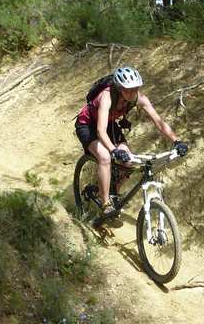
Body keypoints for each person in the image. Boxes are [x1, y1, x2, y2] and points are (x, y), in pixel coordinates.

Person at [75, 66, 188, 219]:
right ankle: (106, 202)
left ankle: (112, 192)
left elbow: (159, 122)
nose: (132, 92)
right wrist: (113, 150)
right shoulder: (106, 97)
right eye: (128, 89)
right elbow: (100, 131)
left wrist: (177, 141)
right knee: (105, 157)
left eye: (135, 88)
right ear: (119, 88)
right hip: (87, 125)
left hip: (109, 125)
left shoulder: (139, 99)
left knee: (128, 162)